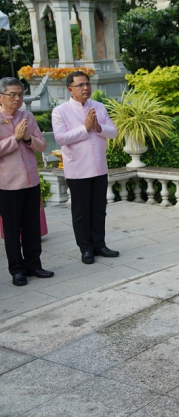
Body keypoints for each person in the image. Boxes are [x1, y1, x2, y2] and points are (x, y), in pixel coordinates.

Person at [52, 71, 119, 265]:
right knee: (81, 211)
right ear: (70, 89)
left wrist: (98, 127)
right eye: (81, 85)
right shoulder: (60, 111)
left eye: (88, 84)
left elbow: (113, 131)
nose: (86, 88)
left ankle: (100, 244)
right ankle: (86, 248)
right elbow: (60, 138)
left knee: (99, 208)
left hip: (99, 167)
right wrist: (85, 128)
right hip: (77, 169)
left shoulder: (98, 106)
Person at [0, 77, 53, 286]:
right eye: (12, 94)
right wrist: (15, 138)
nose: (17, 98)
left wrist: (27, 139)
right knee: (12, 230)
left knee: (32, 226)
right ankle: (17, 270)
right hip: (8, 184)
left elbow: (41, 146)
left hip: (31, 181)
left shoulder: (27, 116)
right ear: (1, 97)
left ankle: (34, 264)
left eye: (20, 94)